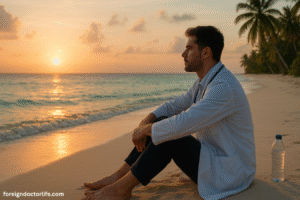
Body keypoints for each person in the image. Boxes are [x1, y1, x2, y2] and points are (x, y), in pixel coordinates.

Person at [83, 26, 256, 200]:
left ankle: (120, 189)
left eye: (189, 49)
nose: (183, 54)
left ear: (206, 53)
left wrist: (147, 129)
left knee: (169, 134)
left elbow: (184, 122)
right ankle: (117, 178)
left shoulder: (222, 87)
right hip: (214, 160)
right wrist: (146, 122)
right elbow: (172, 107)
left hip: (231, 173)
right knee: (162, 124)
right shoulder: (204, 83)